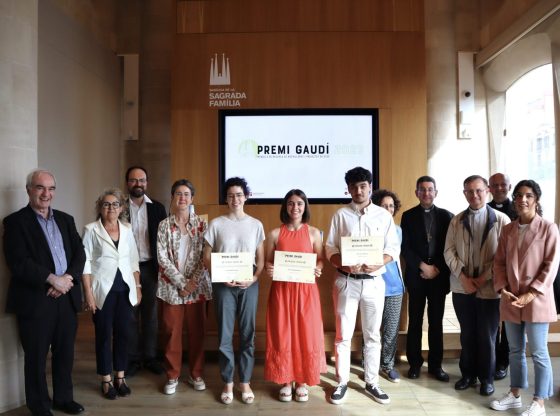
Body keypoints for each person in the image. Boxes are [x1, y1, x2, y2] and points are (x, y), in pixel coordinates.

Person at [3, 169, 86, 416]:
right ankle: (39, 406)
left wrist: (67, 279)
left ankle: (63, 398)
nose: (46, 193)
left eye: (50, 188)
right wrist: (52, 280)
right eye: (40, 187)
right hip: (36, 300)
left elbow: (80, 253)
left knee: (65, 353)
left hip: (66, 297)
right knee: (36, 356)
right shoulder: (15, 222)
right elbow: (18, 262)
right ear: (29, 190)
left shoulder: (66, 219)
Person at [325, 167, 400, 405]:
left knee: (372, 335)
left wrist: (380, 261)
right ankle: (341, 382)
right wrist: (343, 264)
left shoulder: (383, 216)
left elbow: (393, 249)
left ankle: (372, 382)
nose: (359, 191)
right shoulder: (340, 215)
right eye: (354, 187)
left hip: (374, 282)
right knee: (343, 335)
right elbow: (330, 248)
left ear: (370, 187)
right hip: (346, 281)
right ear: (348, 189)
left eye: (363, 186)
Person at [490, 180, 559, 416]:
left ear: (536, 200)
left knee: (539, 352)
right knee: (515, 350)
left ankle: (539, 402)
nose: (522, 200)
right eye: (518, 195)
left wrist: (532, 292)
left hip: (537, 298)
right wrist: (502, 288)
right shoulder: (508, 229)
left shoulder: (549, 228)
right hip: (511, 297)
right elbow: (499, 263)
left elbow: (550, 265)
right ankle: (515, 394)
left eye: (528, 195)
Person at [444, 175, 510, 396]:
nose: (474, 195)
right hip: (462, 288)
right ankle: (468, 375)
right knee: (467, 334)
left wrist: (482, 279)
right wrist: (463, 277)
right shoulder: (456, 220)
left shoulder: (501, 220)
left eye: (479, 190)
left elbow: (504, 256)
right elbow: (449, 252)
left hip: (490, 289)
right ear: (464, 194)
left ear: (487, 191)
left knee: (488, 336)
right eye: (469, 191)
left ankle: (487, 379)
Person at [203, 177, 265, 405]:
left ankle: (245, 382)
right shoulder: (216, 224)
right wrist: (219, 275)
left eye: (239, 195)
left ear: (246, 197)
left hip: (249, 283)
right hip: (223, 284)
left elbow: (260, 259)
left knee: (248, 334)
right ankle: (228, 382)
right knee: (225, 335)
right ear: (226, 199)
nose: (235, 199)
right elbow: (206, 256)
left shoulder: (256, 224)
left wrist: (253, 279)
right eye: (230, 195)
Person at [264, 189, 327, 402]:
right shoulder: (274, 234)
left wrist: (318, 268)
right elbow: (268, 262)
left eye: (299, 203)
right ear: (285, 206)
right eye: (291, 203)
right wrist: (269, 268)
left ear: (305, 206)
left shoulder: (314, 233)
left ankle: (301, 381)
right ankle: (285, 380)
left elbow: (321, 259)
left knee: (305, 333)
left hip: (306, 292)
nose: (295, 207)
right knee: (283, 333)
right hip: (282, 291)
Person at [82, 188, 141, 400]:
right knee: (104, 335)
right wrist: (88, 294)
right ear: (100, 208)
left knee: (124, 334)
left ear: (122, 208)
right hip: (102, 291)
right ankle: (106, 379)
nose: (111, 208)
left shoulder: (127, 229)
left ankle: (120, 377)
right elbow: (85, 264)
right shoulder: (90, 230)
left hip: (125, 290)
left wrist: (138, 286)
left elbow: (133, 260)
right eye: (106, 204)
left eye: (115, 204)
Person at [157, 179, 212, 395]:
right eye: (178, 194)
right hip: (171, 288)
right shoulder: (164, 225)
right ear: (172, 197)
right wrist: (182, 283)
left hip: (198, 288)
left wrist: (192, 284)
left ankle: (196, 374)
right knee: (172, 333)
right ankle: (172, 376)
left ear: (192, 198)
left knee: (198, 332)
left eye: (186, 194)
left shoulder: (203, 225)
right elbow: (162, 258)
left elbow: (205, 257)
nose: (182, 198)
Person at [400, 176, 453, 382]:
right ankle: (414, 363)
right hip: (416, 275)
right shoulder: (408, 216)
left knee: (436, 322)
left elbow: (450, 247)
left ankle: (435, 365)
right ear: (417, 193)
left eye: (430, 189)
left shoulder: (447, 216)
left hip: (438, 276)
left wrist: (436, 268)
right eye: (422, 189)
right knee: (415, 321)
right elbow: (406, 247)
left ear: (436, 192)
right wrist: (422, 266)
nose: (426, 193)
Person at [124, 166, 167, 376]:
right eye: (133, 180)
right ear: (127, 183)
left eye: (141, 180)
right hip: (126, 268)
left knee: (150, 314)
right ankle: (132, 359)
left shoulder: (157, 208)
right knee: (130, 314)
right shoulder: (119, 207)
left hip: (150, 266)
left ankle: (150, 357)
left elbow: (164, 239)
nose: (138, 184)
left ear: (147, 183)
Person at [370, 189, 405, 383]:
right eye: (384, 206)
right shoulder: (367, 227)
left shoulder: (398, 230)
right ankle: (370, 365)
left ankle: (388, 365)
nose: (388, 209)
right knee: (371, 329)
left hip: (394, 287)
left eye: (391, 206)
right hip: (372, 285)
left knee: (391, 330)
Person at [489, 172, 517, 381]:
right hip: (490, 274)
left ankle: (503, 361)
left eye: (503, 185)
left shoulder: (518, 209)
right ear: (489, 188)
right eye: (495, 185)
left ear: (509, 186)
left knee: (508, 322)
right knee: (490, 320)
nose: (499, 188)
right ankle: (489, 358)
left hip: (512, 274)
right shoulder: (485, 209)